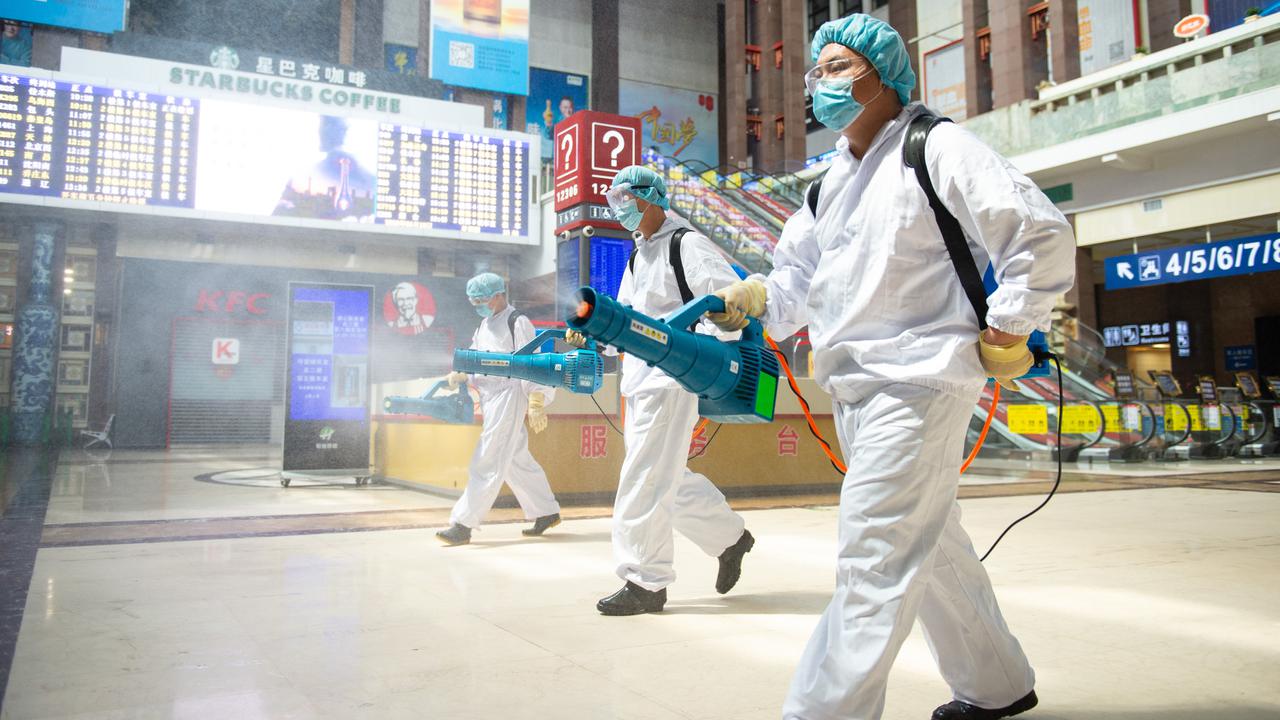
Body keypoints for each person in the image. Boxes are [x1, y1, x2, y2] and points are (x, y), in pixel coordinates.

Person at [710, 14, 1075, 720]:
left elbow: (1038, 233)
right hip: (854, 388)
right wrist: (752, 299)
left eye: (839, 67)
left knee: (874, 554)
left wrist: (1009, 324)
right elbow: (794, 283)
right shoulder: (827, 186)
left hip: (921, 381)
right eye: (817, 71)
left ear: (885, 75)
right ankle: (998, 684)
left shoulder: (934, 146)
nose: (822, 83)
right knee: (929, 541)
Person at [565, 165, 755, 616]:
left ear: (650, 197)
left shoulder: (686, 245)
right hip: (640, 382)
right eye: (614, 201)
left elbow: (728, 311)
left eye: (625, 199)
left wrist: (699, 354)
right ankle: (730, 538)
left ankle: (645, 581)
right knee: (666, 476)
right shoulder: (639, 256)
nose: (619, 209)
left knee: (644, 479)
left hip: (672, 379)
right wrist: (597, 334)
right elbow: (628, 319)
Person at [436, 272, 562, 545]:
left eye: (480, 300)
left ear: (497, 295)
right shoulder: (484, 325)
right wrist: (462, 373)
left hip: (509, 395)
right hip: (491, 399)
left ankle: (463, 524)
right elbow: (478, 357)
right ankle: (546, 511)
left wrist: (537, 399)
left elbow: (532, 362)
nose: (477, 305)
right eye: (473, 301)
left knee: (488, 458)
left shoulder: (517, 321)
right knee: (515, 459)